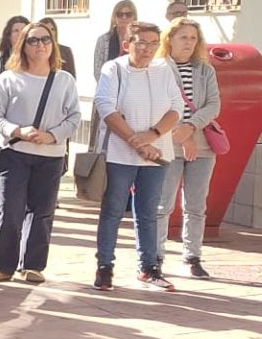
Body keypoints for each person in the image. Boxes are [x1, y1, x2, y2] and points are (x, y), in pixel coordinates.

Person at [0, 21, 81, 284]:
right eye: (34, 40)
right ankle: (2, 265)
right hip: (15, 153)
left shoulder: (64, 80)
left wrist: (52, 136)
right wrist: (16, 130)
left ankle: (33, 265)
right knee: (10, 210)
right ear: (23, 46)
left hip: (50, 155)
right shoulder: (9, 78)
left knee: (42, 212)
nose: (41, 45)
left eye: (46, 40)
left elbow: (74, 117)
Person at [93, 20, 185, 291]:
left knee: (148, 211)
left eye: (153, 43)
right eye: (142, 43)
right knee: (112, 210)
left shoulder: (163, 69)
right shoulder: (114, 69)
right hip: (120, 154)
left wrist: (151, 136)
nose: (148, 49)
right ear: (127, 44)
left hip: (157, 154)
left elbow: (176, 107)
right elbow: (106, 107)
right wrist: (137, 142)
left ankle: (149, 267)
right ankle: (105, 266)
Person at [159, 16, 222, 280]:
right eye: (183, 37)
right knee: (162, 205)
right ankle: (155, 256)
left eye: (193, 38)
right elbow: (159, 105)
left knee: (196, 204)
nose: (188, 42)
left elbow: (213, 105)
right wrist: (181, 134)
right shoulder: (159, 68)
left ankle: (193, 255)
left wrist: (191, 128)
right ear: (170, 39)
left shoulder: (205, 70)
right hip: (168, 144)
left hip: (203, 147)